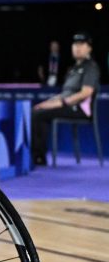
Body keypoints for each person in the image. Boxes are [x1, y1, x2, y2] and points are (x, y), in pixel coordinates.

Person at [31, 32, 101, 166]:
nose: (77, 47)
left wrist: (61, 103)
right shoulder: (73, 69)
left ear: (89, 48)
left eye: (81, 44)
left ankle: (38, 157)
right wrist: (46, 103)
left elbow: (86, 92)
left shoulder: (91, 67)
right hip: (67, 105)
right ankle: (35, 155)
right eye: (75, 44)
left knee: (39, 115)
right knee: (37, 110)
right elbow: (64, 93)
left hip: (79, 109)